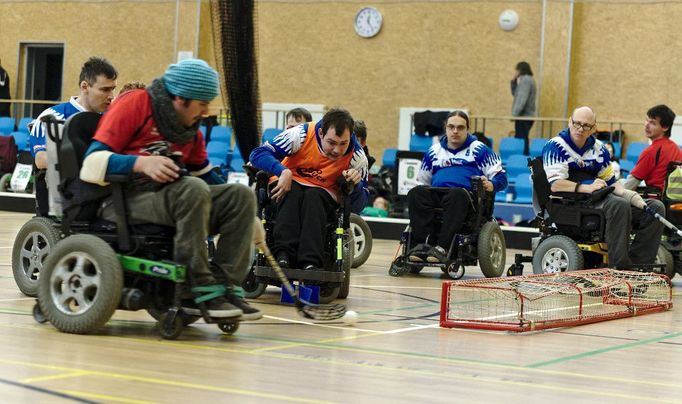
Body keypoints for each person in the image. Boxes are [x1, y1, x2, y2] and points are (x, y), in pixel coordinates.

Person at [80, 59, 259, 320]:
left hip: (173, 200)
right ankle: (195, 285)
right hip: (122, 202)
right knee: (192, 189)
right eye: (202, 103)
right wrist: (141, 163)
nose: (206, 111)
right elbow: (91, 163)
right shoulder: (135, 104)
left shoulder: (189, 130)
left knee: (241, 195)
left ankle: (224, 286)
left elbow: (204, 174)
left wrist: (248, 216)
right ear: (180, 99)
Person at [542, 106, 664, 269]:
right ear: (569, 121)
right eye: (576, 123)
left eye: (586, 125)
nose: (580, 129)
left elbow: (612, 183)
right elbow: (556, 184)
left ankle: (639, 266)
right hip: (572, 201)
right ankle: (619, 269)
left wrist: (631, 196)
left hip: (598, 198)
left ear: (593, 128)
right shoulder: (555, 146)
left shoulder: (599, 149)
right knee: (618, 205)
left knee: (656, 207)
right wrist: (586, 188)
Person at [250, 107, 369, 271]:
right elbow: (257, 154)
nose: (337, 150)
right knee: (293, 191)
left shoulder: (357, 157)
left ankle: (310, 261)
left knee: (314, 196)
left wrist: (356, 186)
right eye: (332, 143)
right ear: (321, 134)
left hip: (323, 195)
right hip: (287, 184)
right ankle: (283, 254)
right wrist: (281, 171)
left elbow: (358, 206)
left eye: (343, 144)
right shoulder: (300, 134)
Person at [407, 110, 508, 263]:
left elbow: (502, 177)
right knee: (415, 193)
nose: (455, 131)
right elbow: (423, 181)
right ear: (445, 128)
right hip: (437, 194)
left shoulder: (479, 149)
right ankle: (423, 245)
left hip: (466, 199)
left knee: (456, 195)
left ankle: (442, 247)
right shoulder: (433, 152)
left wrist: (491, 184)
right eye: (451, 127)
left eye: (460, 127)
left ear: (467, 129)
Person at [30, 56, 118, 170]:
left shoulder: (111, 117)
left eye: (113, 89)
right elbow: (41, 160)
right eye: (105, 90)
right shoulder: (52, 116)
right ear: (85, 87)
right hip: (67, 186)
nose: (111, 96)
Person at [622, 105, 682, 192]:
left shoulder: (650, 152)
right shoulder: (676, 149)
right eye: (647, 120)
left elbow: (629, 186)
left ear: (665, 127)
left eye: (653, 123)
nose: (646, 125)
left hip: (654, 200)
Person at [511, 61, 537, 155]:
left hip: (524, 117)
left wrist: (514, 115)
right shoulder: (528, 80)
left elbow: (521, 99)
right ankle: (522, 159)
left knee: (521, 141)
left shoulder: (526, 80)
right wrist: (513, 82)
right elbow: (516, 94)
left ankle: (522, 160)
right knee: (522, 139)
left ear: (520, 70)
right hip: (526, 116)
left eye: (516, 70)